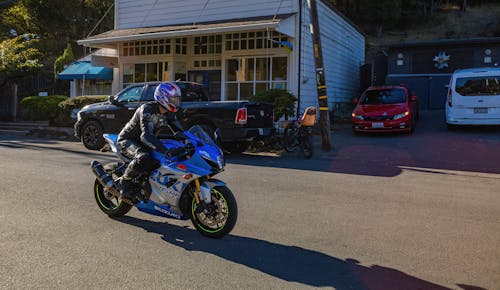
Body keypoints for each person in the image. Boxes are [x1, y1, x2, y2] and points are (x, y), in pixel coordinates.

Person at [116, 82, 186, 202]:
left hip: (146, 142)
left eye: (176, 99)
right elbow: (146, 136)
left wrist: (190, 142)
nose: (175, 102)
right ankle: (124, 181)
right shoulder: (147, 109)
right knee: (143, 158)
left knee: (158, 162)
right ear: (162, 97)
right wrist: (165, 151)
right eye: (172, 99)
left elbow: (179, 131)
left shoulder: (168, 113)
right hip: (128, 140)